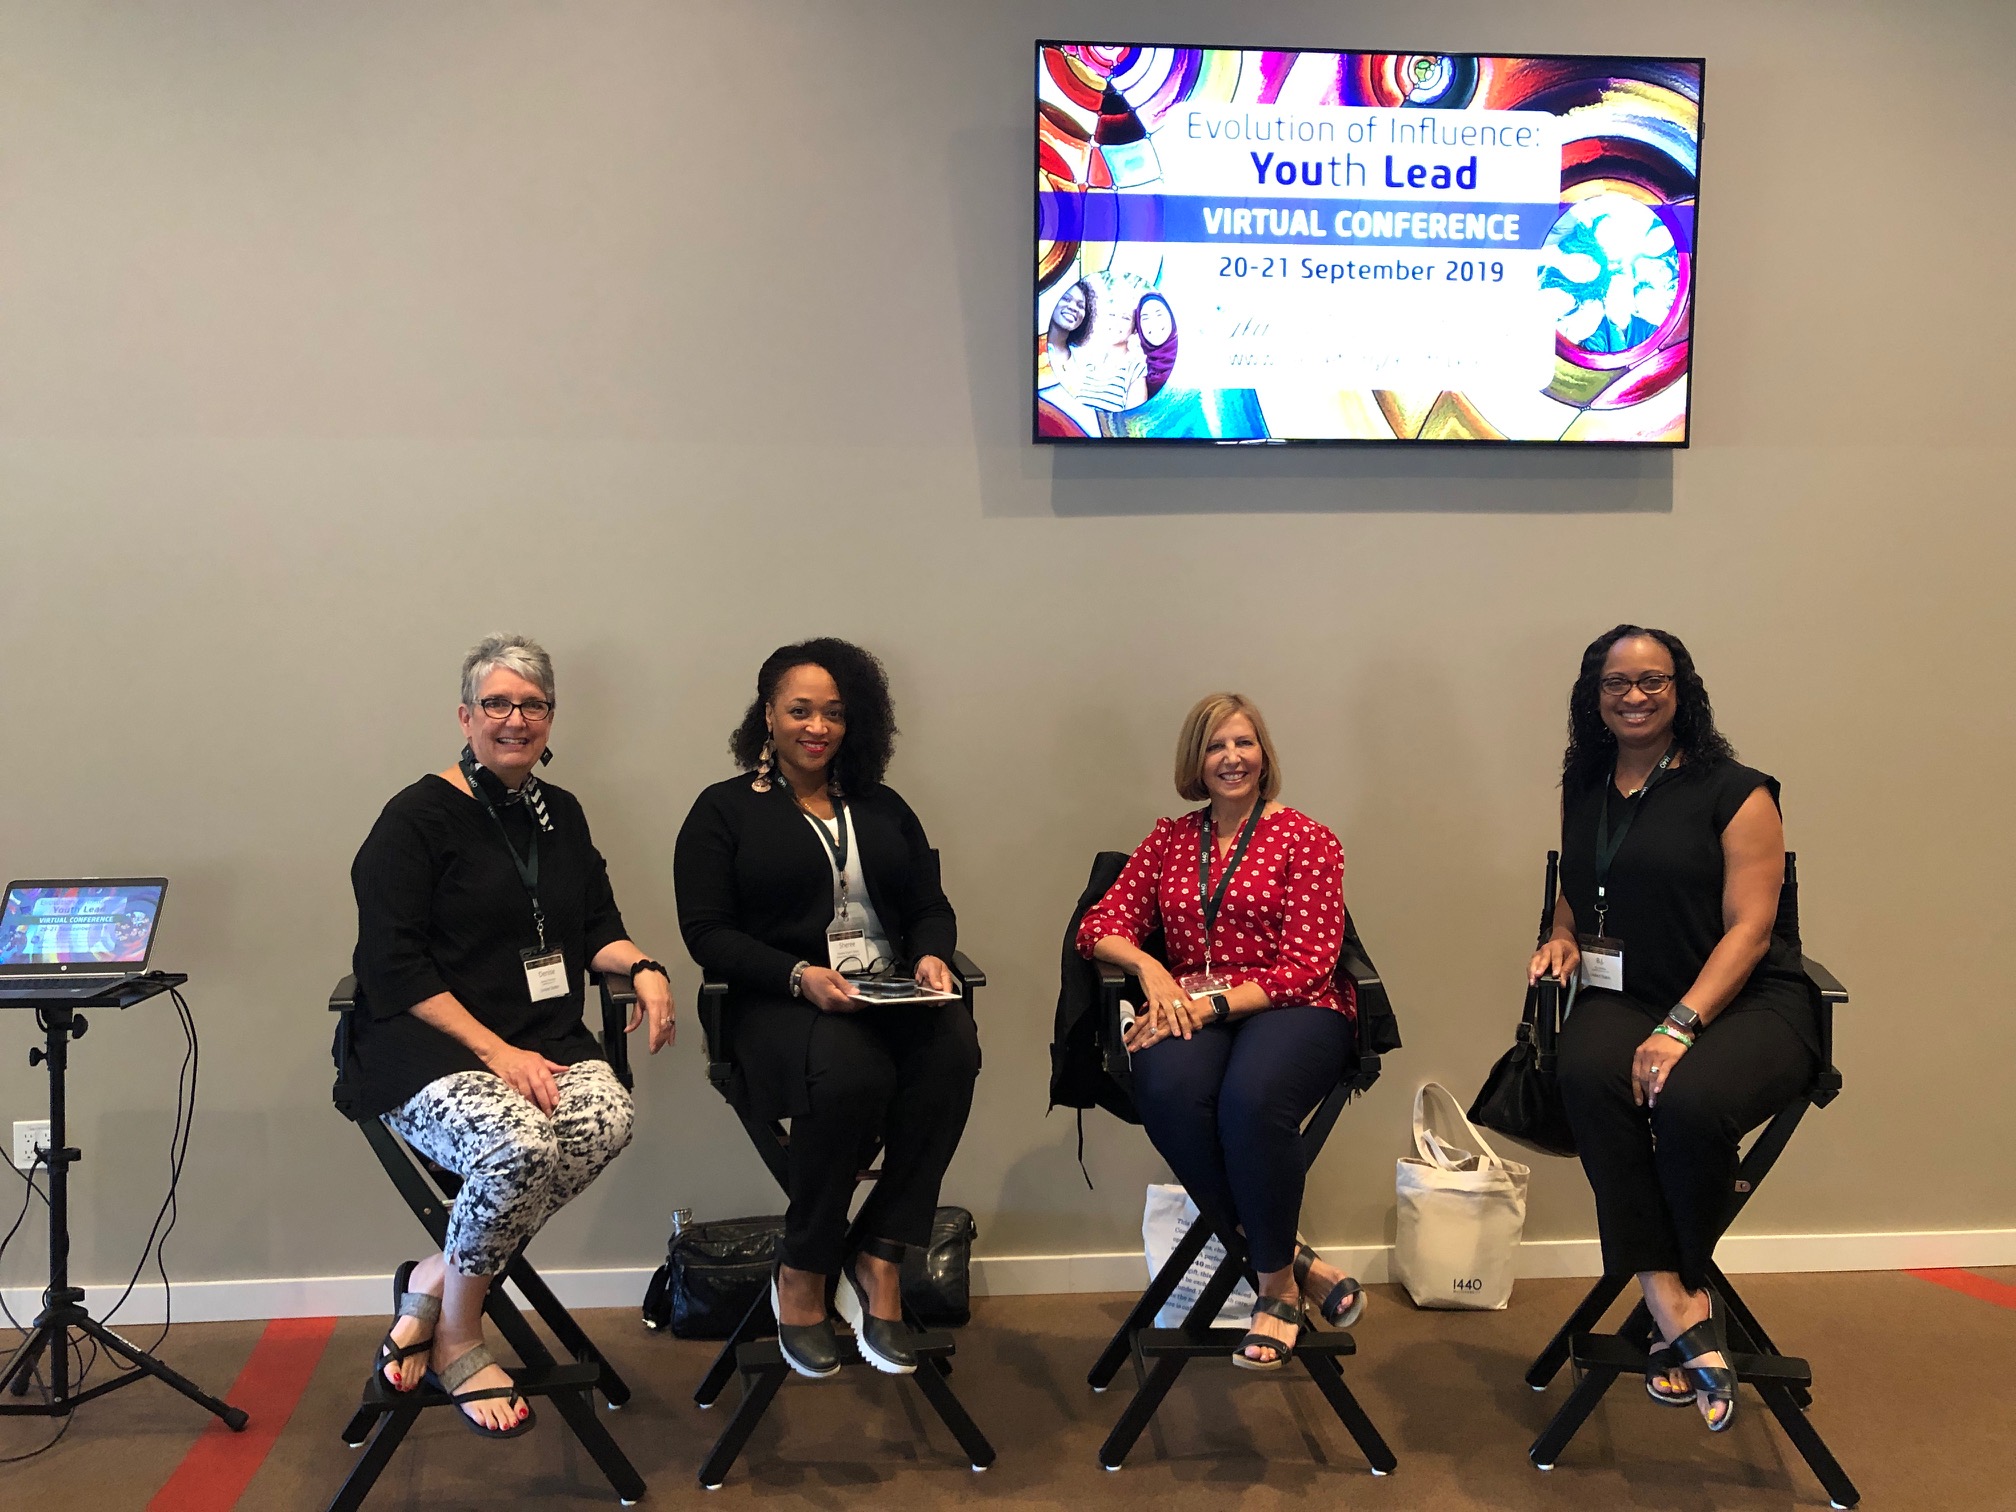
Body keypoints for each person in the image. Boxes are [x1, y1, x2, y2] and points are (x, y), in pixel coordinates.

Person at [347, 634, 676, 1437]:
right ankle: (462, 1331)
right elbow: (390, 962)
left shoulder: (558, 811)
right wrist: (499, 1054)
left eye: (532, 704)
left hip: (542, 1033)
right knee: (519, 1148)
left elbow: (595, 923)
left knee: (608, 1117)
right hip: (422, 1043)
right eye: (497, 703)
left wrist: (646, 967)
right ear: (466, 716)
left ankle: (437, 1273)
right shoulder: (414, 817)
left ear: (550, 718)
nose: (515, 719)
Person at [1530, 625, 1817, 1433]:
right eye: (1616, 682)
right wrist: (1559, 934)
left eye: (1652, 680)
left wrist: (1682, 1025)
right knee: (1585, 1073)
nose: (1634, 696)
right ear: (1594, 697)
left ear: (1680, 690)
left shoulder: (1739, 790)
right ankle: (1676, 1304)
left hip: (1747, 1000)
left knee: (1687, 1102)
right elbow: (1579, 890)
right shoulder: (1584, 780)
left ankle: (1673, 1311)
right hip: (1624, 994)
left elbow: (1752, 930)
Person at [673, 637, 979, 1379]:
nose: (818, 727)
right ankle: (804, 1270)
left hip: (887, 991)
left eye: (835, 713)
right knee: (852, 1076)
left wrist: (934, 952)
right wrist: (799, 974)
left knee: (953, 1050)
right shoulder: (722, 811)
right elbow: (707, 934)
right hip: (780, 1002)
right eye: (800, 710)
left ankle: (879, 1256)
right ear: (768, 716)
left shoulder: (881, 807)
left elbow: (929, 905)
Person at [1077, 693, 1364, 1370]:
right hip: (1189, 1003)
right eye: (1215, 747)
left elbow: (1308, 965)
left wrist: (1211, 1006)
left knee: (1251, 1101)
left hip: (1294, 1008)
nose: (1231, 758)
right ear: (1195, 763)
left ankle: (1273, 1290)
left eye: (1244, 743)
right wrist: (1150, 968)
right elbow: (1099, 927)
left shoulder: (1308, 839)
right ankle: (1292, 1259)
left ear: (1264, 755)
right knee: (1169, 1088)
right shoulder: (1171, 840)